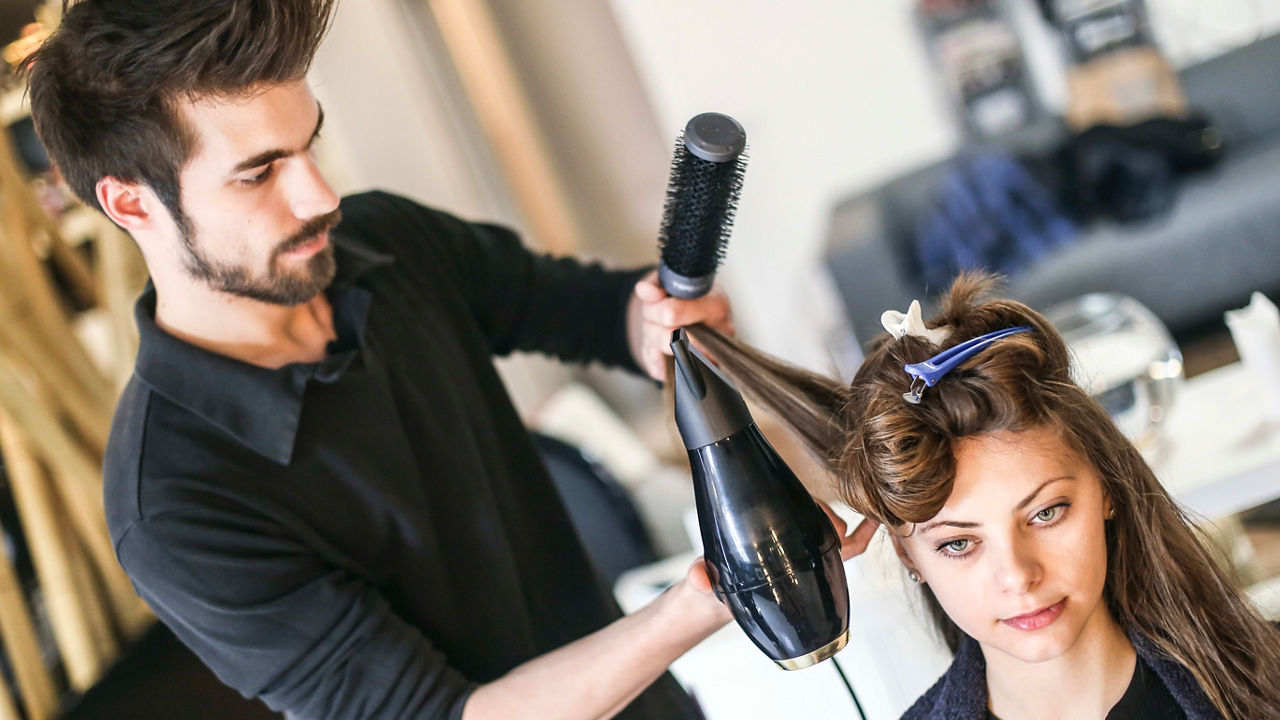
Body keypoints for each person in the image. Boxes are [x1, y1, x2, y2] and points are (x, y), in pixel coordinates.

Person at [21, 2, 877, 719]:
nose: (319, 196)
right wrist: (710, 596)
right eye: (260, 173)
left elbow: (588, 311)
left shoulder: (384, 242)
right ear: (131, 203)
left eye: (309, 144)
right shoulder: (172, 505)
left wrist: (654, 319)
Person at [687, 273, 1280, 719]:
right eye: (959, 543)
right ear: (908, 555)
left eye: (1046, 513)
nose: (1018, 576)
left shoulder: (1263, 677)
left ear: (1107, 491)